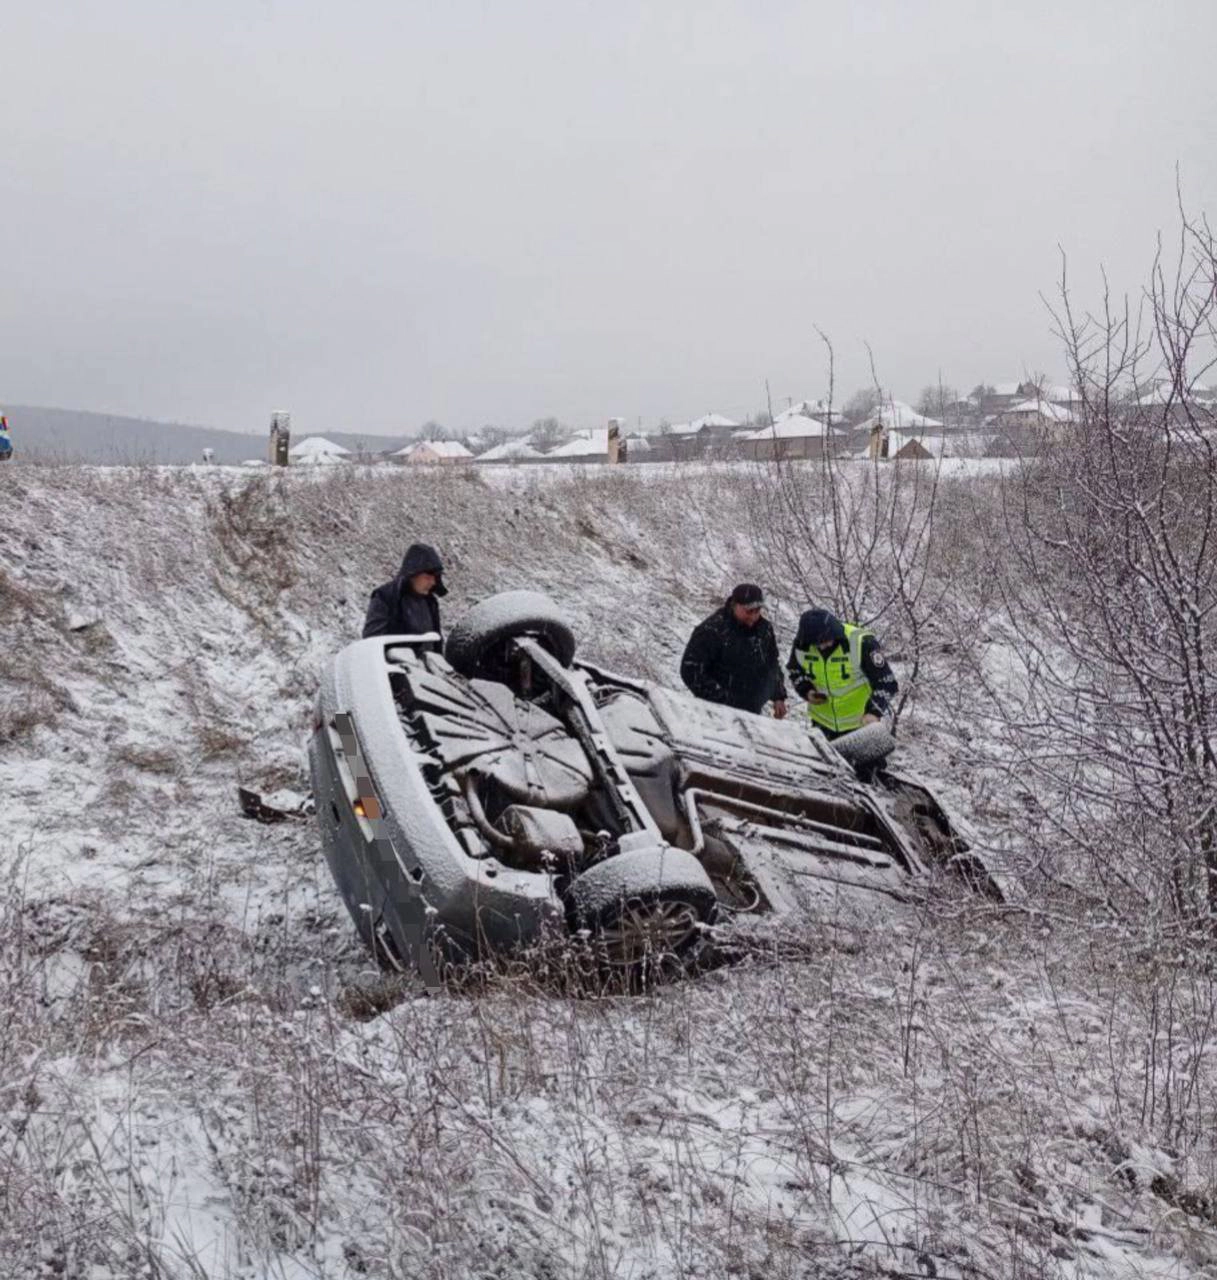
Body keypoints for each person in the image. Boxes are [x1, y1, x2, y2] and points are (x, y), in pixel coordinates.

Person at [680, 583, 788, 718]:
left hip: (751, 713)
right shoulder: (712, 630)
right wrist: (722, 699)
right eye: (749, 611)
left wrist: (778, 696)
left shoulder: (764, 630)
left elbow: (771, 664)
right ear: (734, 605)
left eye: (757, 611)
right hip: (714, 712)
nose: (754, 617)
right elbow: (690, 670)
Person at [786, 608, 897, 738]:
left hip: (860, 725)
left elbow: (887, 682)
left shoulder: (861, 642)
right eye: (817, 643)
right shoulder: (802, 644)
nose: (822, 646)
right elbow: (795, 671)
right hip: (822, 726)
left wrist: (874, 711)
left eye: (825, 641)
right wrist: (807, 691)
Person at [362, 543, 447, 649]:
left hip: (426, 664)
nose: (433, 582)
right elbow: (372, 641)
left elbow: (436, 644)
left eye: (435, 577)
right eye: (427, 577)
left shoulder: (430, 602)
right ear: (413, 574)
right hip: (393, 664)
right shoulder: (386, 597)